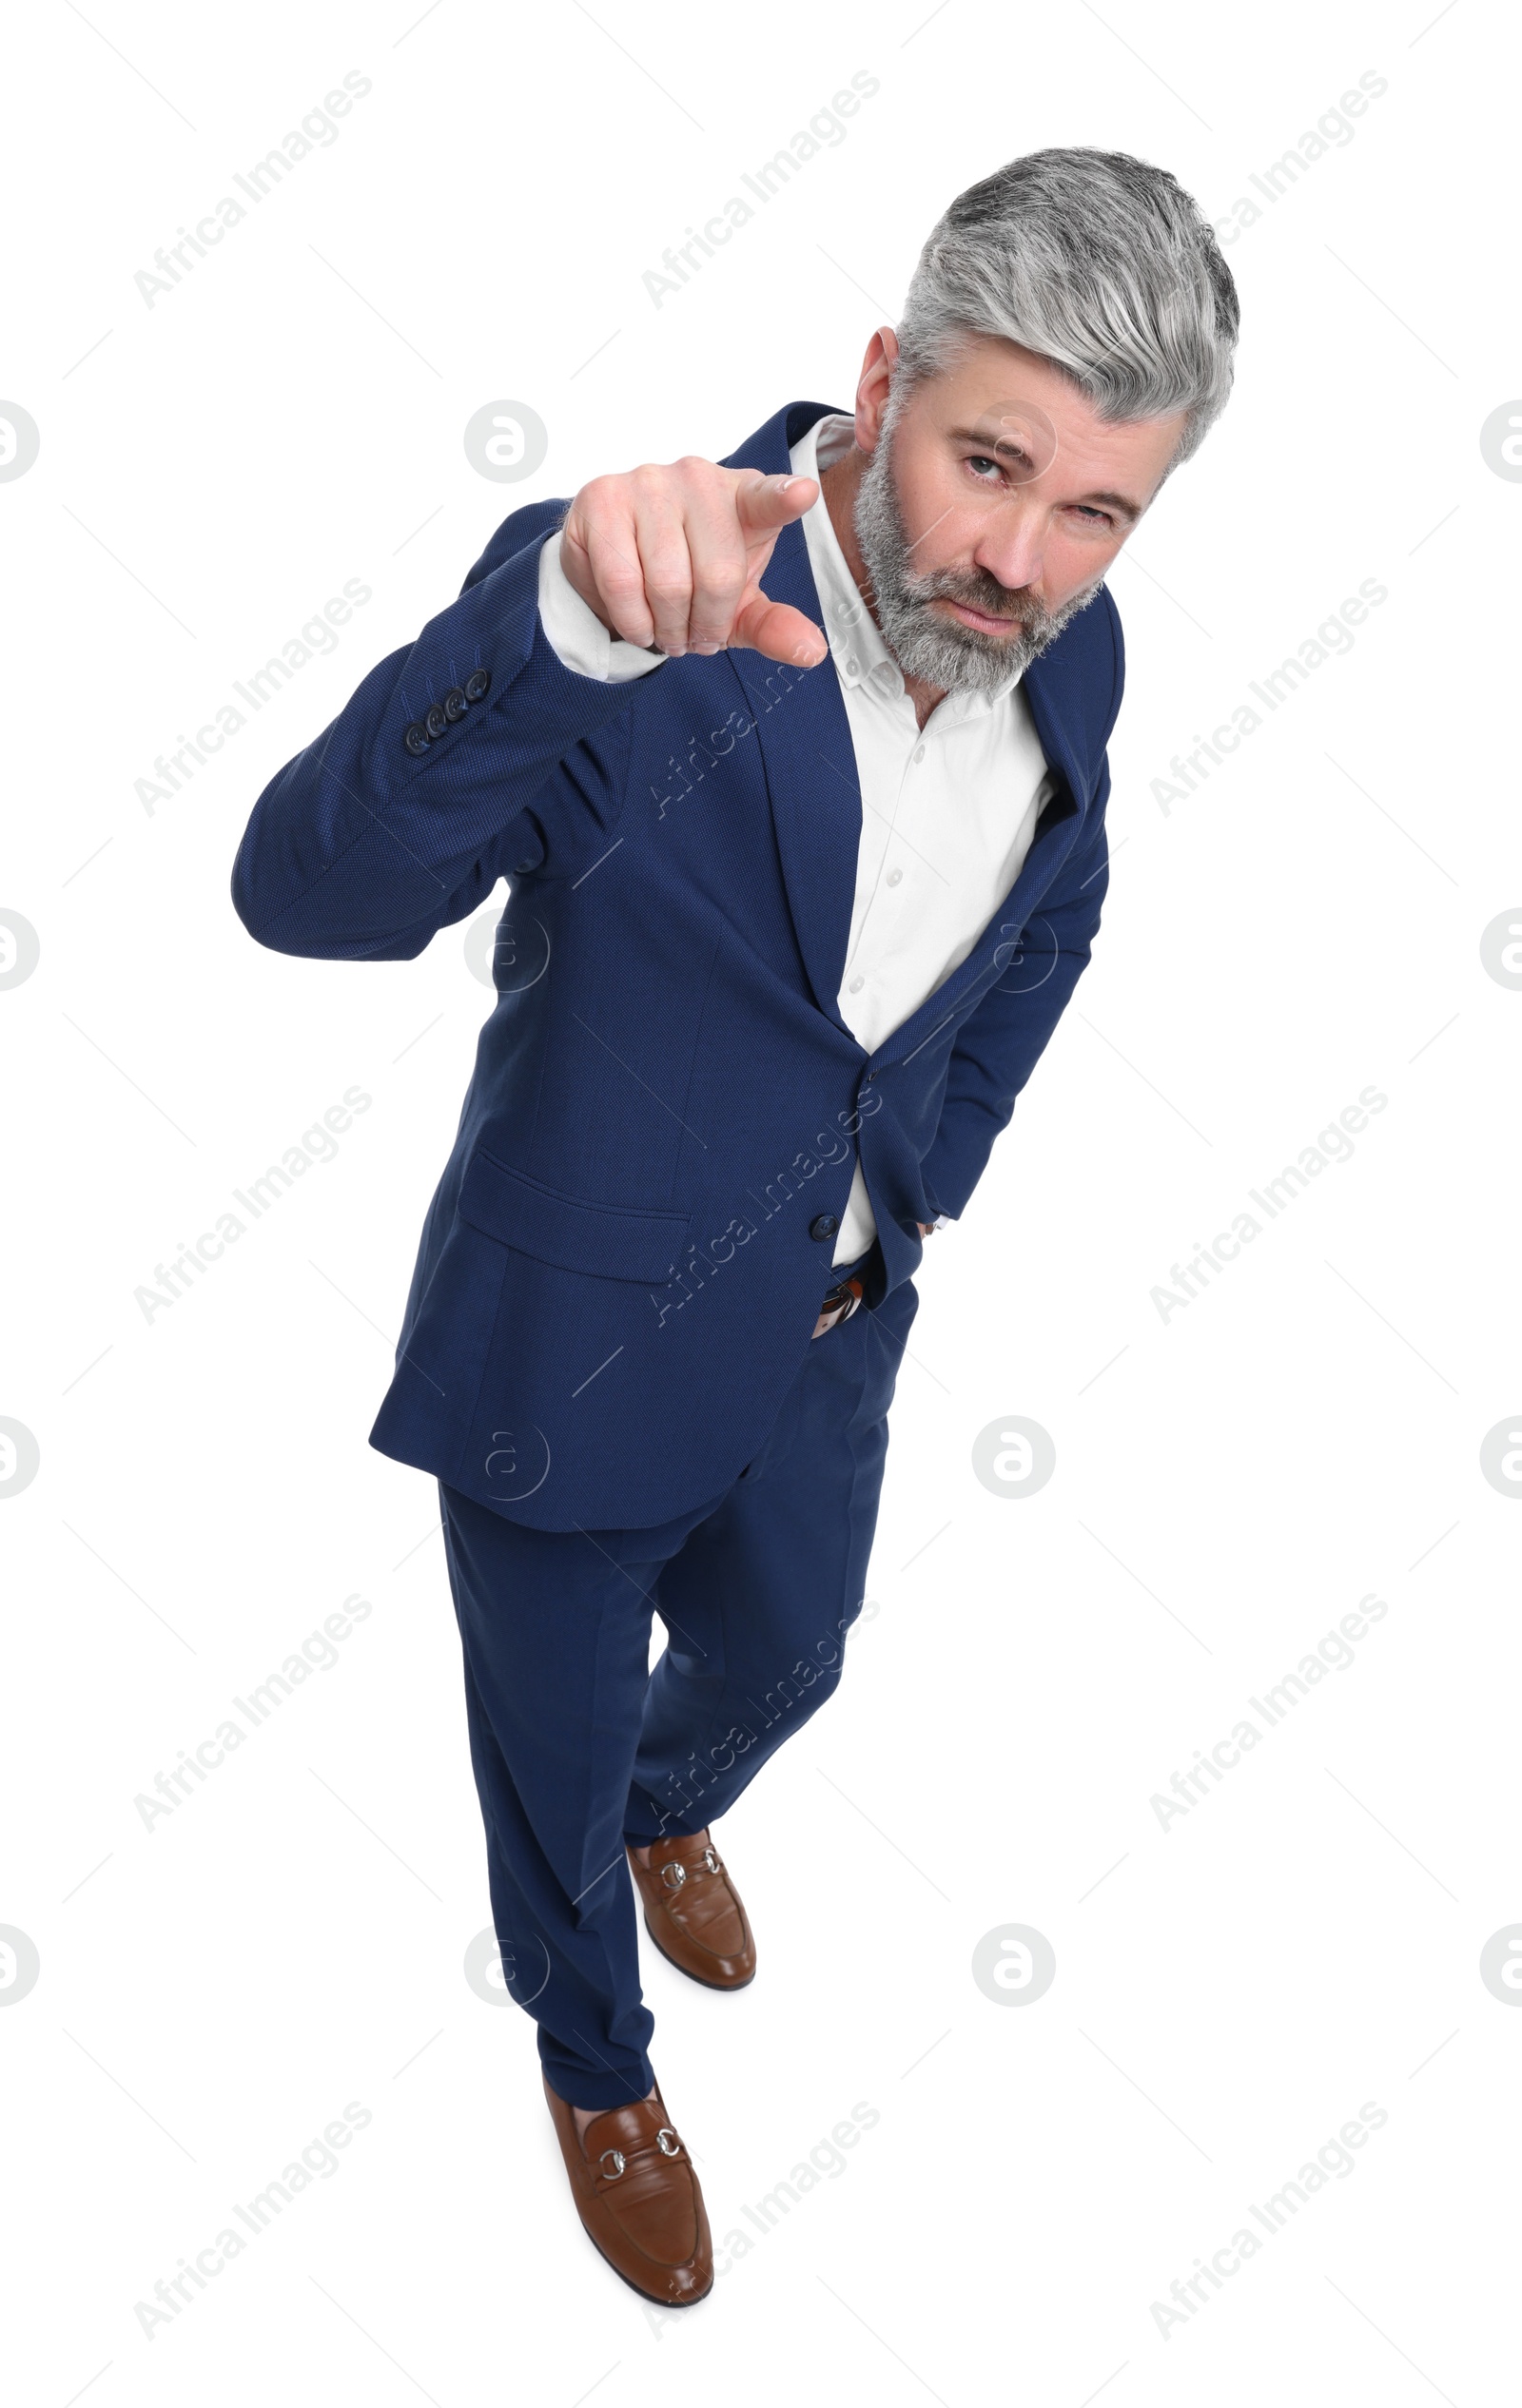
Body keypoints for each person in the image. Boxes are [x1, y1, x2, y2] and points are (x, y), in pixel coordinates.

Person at [230, 146, 1238, 2305]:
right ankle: (593, 2057)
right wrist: (551, 633)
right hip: (567, 1349)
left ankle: (665, 1809)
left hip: (835, 1321)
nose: (1018, 556)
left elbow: (1047, 912)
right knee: (552, 1760)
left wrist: (926, 1176)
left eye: (1095, 509)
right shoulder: (642, 600)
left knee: (790, 1655)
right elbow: (301, 898)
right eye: (987, 464)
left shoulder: (1077, 641)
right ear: (879, 380)